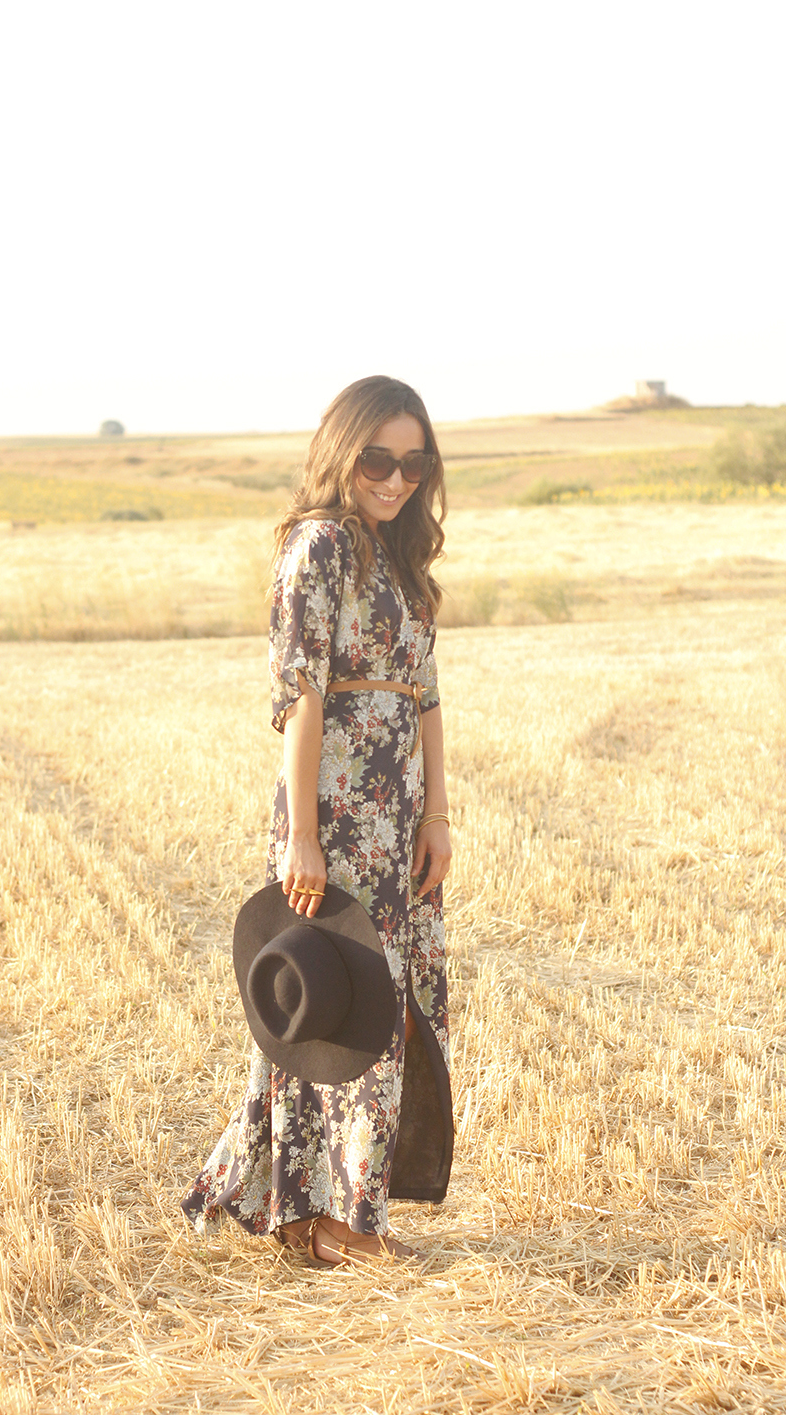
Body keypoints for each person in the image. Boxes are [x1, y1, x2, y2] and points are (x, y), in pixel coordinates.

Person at [181, 376, 453, 1264]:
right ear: (343, 452)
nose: (397, 477)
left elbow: (427, 699)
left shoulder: (402, 559)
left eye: (414, 462)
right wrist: (303, 830)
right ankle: (340, 1222)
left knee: (390, 1009)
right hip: (334, 813)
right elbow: (302, 693)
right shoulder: (321, 546)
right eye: (379, 458)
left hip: (400, 814)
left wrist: (438, 814)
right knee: (343, 1012)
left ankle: (316, 1209)